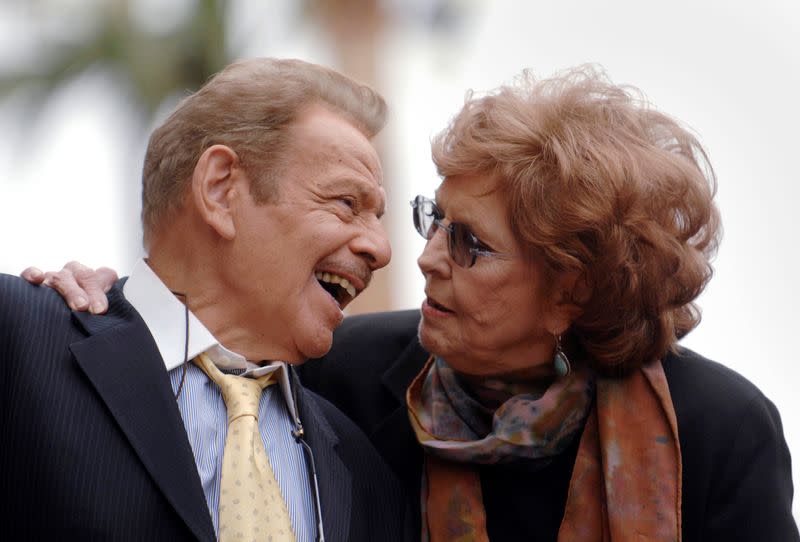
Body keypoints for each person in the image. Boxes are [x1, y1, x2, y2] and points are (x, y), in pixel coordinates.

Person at [30, 66, 799, 541]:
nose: (423, 257)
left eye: (471, 243)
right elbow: (185, 372)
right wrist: (103, 302)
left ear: (574, 288)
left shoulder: (718, 430)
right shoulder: (348, 376)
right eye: (436, 218)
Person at [2, 57, 408, 541]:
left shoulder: (368, 477)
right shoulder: (19, 343)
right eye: (347, 203)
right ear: (219, 190)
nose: (380, 249)